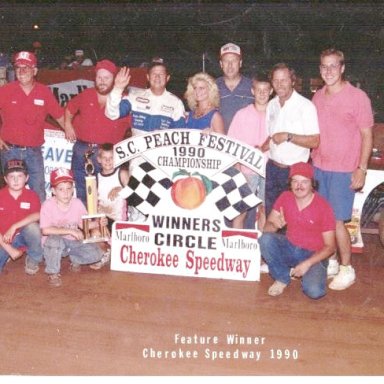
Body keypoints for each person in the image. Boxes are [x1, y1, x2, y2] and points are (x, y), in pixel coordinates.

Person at [312, 48, 374, 290]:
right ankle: (333, 261)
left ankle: (348, 268)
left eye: (333, 66)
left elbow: (367, 136)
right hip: (319, 167)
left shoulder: (358, 97)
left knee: (336, 221)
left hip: (344, 170)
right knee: (323, 221)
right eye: (324, 67)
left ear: (342, 68)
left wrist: (361, 168)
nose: (328, 71)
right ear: (320, 70)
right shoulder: (317, 97)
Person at [106, 60, 185, 221]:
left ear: (168, 78)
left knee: (160, 203)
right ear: (147, 77)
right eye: (154, 74)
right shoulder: (135, 97)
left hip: (163, 162)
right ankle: (137, 237)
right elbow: (111, 114)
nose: (157, 77)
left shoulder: (176, 103)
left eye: (161, 74)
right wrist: (118, 88)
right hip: (138, 160)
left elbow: (181, 138)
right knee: (138, 204)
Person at [259, 162, 336, 299]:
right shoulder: (285, 197)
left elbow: (330, 247)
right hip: (291, 247)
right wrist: (275, 226)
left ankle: (308, 272)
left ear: (312, 184)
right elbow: (267, 229)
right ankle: (282, 277)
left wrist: (308, 263)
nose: (299, 186)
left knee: (314, 292)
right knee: (265, 239)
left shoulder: (323, 206)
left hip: (314, 255)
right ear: (290, 183)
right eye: (295, 181)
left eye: (304, 182)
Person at [0, 51, 65, 202]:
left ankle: (39, 225)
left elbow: (60, 116)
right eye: (18, 67)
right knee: (9, 194)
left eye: (26, 67)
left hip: (34, 152)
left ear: (35, 71)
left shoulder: (44, 91)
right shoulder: (5, 91)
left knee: (39, 192)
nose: (21, 71)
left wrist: (71, 131)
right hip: (10, 151)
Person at [64, 59, 131, 206]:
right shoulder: (86, 94)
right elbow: (69, 109)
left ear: (114, 79)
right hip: (82, 149)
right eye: (99, 77)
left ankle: (102, 225)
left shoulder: (125, 101)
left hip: (107, 155)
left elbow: (134, 128)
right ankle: (85, 225)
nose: (102, 81)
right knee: (82, 190)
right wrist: (68, 125)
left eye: (106, 78)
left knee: (105, 194)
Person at [264, 63, 320, 217]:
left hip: (294, 172)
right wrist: (258, 149)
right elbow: (270, 137)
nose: (279, 84)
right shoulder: (271, 105)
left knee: (292, 217)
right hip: (272, 168)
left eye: (284, 80)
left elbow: (315, 141)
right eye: (276, 80)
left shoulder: (306, 106)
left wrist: (288, 136)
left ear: (292, 81)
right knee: (271, 214)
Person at [40, 168, 110, 287]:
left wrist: (99, 222)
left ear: (73, 189)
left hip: (72, 242)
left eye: (68, 188)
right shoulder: (48, 205)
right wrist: (70, 231)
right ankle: (53, 272)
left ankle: (75, 259)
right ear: (53, 191)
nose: (66, 193)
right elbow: (45, 230)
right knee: (54, 240)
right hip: (54, 244)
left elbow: (84, 225)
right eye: (61, 189)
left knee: (96, 254)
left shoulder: (77, 203)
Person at [228, 72, 273, 230]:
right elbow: (232, 142)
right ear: (252, 91)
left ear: (271, 91)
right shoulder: (242, 114)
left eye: (265, 90)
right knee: (240, 210)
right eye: (258, 90)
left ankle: (262, 252)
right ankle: (234, 248)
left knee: (265, 211)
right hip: (247, 170)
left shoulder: (277, 114)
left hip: (269, 170)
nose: (262, 93)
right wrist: (237, 166)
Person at [0, 159, 43, 275]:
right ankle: (7, 254)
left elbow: (38, 215)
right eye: (11, 176)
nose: (15, 180)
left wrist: (14, 226)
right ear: (5, 179)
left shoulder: (31, 195)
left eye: (19, 176)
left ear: (27, 178)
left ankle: (34, 259)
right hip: (3, 239)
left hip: (24, 235)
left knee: (33, 227)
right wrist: (9, 249)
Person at [216, 43, 254, 133]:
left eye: (234, 60)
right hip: (219, 143)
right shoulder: (212, 87)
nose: (230, 65)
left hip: (245, 142)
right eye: (226, 61)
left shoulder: (253, 87)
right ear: (221, 64)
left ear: (240, 63)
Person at [97, 142, 129, 229]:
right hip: (102, 221)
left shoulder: (122, 174)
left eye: (111, 157)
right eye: (104, 158)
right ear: (99, 159)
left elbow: (133, 192)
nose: (108, 161)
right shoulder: (95, 178)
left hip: (119, 221)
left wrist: (120, 189)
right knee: (95, 234)